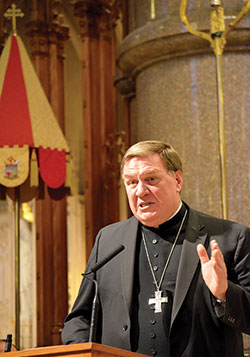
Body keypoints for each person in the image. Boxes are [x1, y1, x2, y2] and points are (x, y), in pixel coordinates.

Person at [62, 140, 250, 357]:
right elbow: (80, 318)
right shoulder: (109, 240)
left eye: (151, 179)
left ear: (177, 180)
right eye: (131, 182)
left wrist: (224, 294)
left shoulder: (231, 237)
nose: (141, 191)